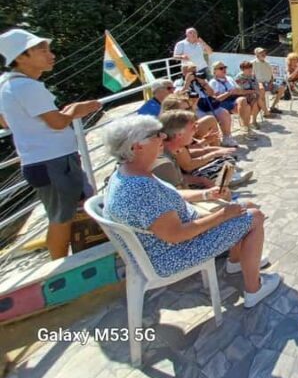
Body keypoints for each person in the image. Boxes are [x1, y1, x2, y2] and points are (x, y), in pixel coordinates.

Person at [102, 115, 278, 308]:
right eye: (155, 135)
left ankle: (235, 262)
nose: (162, 137)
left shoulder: (128, 172)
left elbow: (170, 196)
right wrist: (222, 215)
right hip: (174, 254)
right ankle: (254, 289)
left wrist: (205, 194)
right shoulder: (141, 189)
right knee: (255, 217)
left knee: (247, 206)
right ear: (136, 146)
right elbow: (176, 235)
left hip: (164, 246)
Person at [0, 29, 102, 259]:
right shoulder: (27, 87)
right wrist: (76, 110)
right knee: (62, 218)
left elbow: (6, 121)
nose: (50, 54)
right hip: (53, 162)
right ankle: (58, 266)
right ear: (21, 57)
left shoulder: (6, 85)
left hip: (42, 161)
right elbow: (56, 123)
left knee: (62, 214)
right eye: (41, 50)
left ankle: (67, 259)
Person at [153, 111, 251, 189]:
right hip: (185, 192)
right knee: (226, 161)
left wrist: (210, 147)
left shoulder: (173, 147)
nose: (196, 129)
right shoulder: (164, 161)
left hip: (185, 184)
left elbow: (180, 175)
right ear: (179, 134)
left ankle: (221, 185)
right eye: (193, 127)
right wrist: (204, 190)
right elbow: (181, 186)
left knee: (226, 158)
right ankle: (221, 184)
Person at [175, 63, 237, 147]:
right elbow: (179, 96)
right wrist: (187, 83)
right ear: (184, 72)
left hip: (207, 104)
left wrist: (204, 83)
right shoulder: (178, 82)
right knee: (208, 119)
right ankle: (212, 143)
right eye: (191, 72)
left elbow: (212, 94)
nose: (194, 73)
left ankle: (227, 138)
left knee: (224, 113)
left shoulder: (200, 80)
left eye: (195, 71)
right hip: (194, 108)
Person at [210, 61, 256, 140]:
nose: (224, 69)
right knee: (245, 105)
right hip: (222, 103)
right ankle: (245, 128)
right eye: (221, 68)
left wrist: (238, 91)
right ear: (214, 71)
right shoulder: (213, 82)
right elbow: (216, 99)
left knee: (244, 102)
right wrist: (228, 93)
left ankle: (245, 128)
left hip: (235, 101)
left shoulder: (229, 78)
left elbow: (239, 89)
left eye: (225, 67)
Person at [253, 48, 285, 118]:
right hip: (259, 83)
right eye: (261, 53)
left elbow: (272, 76)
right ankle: (265, 112)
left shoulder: (267, 63)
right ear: (257, 54)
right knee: (262, 90)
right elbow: (252, 76)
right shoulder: (253, 63)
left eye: (264, 52)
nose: (263, 54)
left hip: (268, 83)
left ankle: (272, 107)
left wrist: (271, 82)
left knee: (282, 88)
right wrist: (259, 83)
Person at [235, 61, 264, 129]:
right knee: (258, 98)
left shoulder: (253, 75)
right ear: (242, 69)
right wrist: (254, 91)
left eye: (251, 67)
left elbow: (256, 85)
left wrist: (257, 90)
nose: (250, 69)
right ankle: (257, 118)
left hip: (253, 94)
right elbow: (241, 91)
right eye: (247, 68)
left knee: (259, 96)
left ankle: (254, 120)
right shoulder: (239, 78)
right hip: (243, 96)